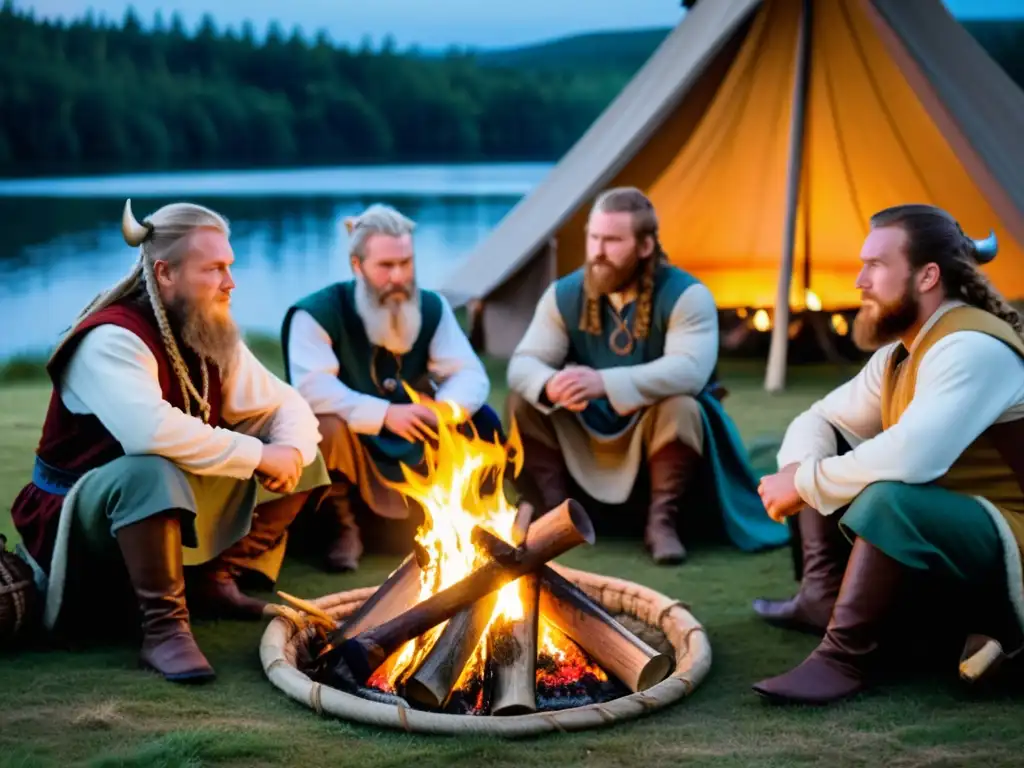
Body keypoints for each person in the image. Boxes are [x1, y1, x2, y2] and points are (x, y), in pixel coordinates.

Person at [8, 199, 330, 684]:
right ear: (165, 272)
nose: (230, 282)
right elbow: (151, 433)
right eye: (215, 269)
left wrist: (288, 452)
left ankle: (212, 579)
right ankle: (163, 630)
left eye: (230, 267)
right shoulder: (110, 339)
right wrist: (259, 455)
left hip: (160, 492)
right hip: (83, 513)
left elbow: (286, 404)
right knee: (151, 470)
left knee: (302, 450)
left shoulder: (206, 327)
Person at [752, 203, 1024, 705]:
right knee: (832, 456)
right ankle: (822, 598)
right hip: (953, 536)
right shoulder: (901, 354)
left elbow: (914, 458)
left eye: (876, 265)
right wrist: (798, 471)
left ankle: (844, 659)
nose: (859, 280)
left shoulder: (972, 348)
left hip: (1014, 543)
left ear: (927, 276)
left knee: (888, 496)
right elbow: (820, 419)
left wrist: (806, 483)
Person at [505, 186, 788, 565]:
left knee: (683, 406)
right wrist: (551, 384)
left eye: (612, 240)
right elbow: (523, 364)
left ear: (645, 246)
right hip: (586, 430)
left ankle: (662, 523)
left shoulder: (688, 294)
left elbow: (690, 371)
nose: (598, 252)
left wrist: (603, 383)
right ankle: (560, 514)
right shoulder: (564, 294)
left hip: (654, 430)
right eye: (594, 238)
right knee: (524, 400)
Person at [281, 204, 500, 572]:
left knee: (481, 417)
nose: (399, 276)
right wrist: (384, 414)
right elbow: (310, 388)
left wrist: (443, 409)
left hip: (415, 435)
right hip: (353, 444)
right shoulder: (316, 313)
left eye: (406, 263)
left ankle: (460, 520)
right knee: (323, 425)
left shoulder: (431, 306)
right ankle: (342, 529)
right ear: (356, 265)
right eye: (385, 266)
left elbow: (470, 374)